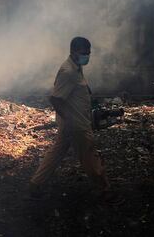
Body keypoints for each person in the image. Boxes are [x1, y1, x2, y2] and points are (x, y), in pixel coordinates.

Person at [28, 37, 123, 205]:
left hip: (72, 124)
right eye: (83, 53)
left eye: (88, 53)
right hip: (76, 125)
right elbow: (56, 99)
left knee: (56, 153)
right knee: (90, 157)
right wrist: (70, 119)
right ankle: (104, 191)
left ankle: (35, 185)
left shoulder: (76, 67)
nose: (86, 56)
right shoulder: (68, 72)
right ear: (73, 52)